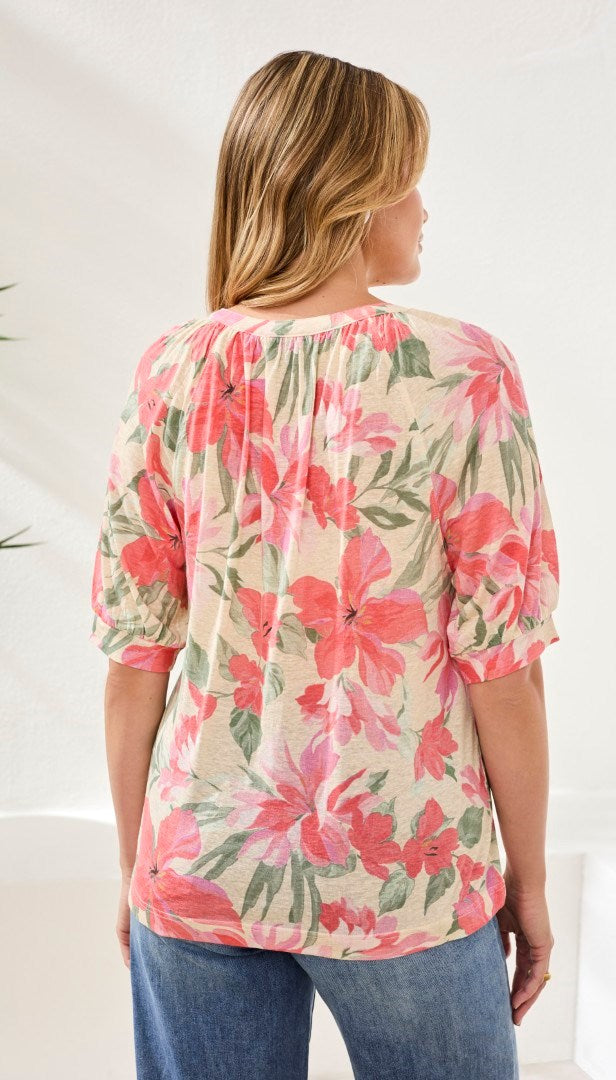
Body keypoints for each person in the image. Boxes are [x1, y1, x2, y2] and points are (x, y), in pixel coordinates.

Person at [89, 49, 559, 1080]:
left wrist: (138, 866)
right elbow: (504, 667)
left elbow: (135, 662)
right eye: (410, 180)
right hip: (402, 871)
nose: (424, 209)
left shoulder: (171, 369)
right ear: (354, 193)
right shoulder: (460, 369)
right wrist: (526, 884)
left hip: (198, 864)